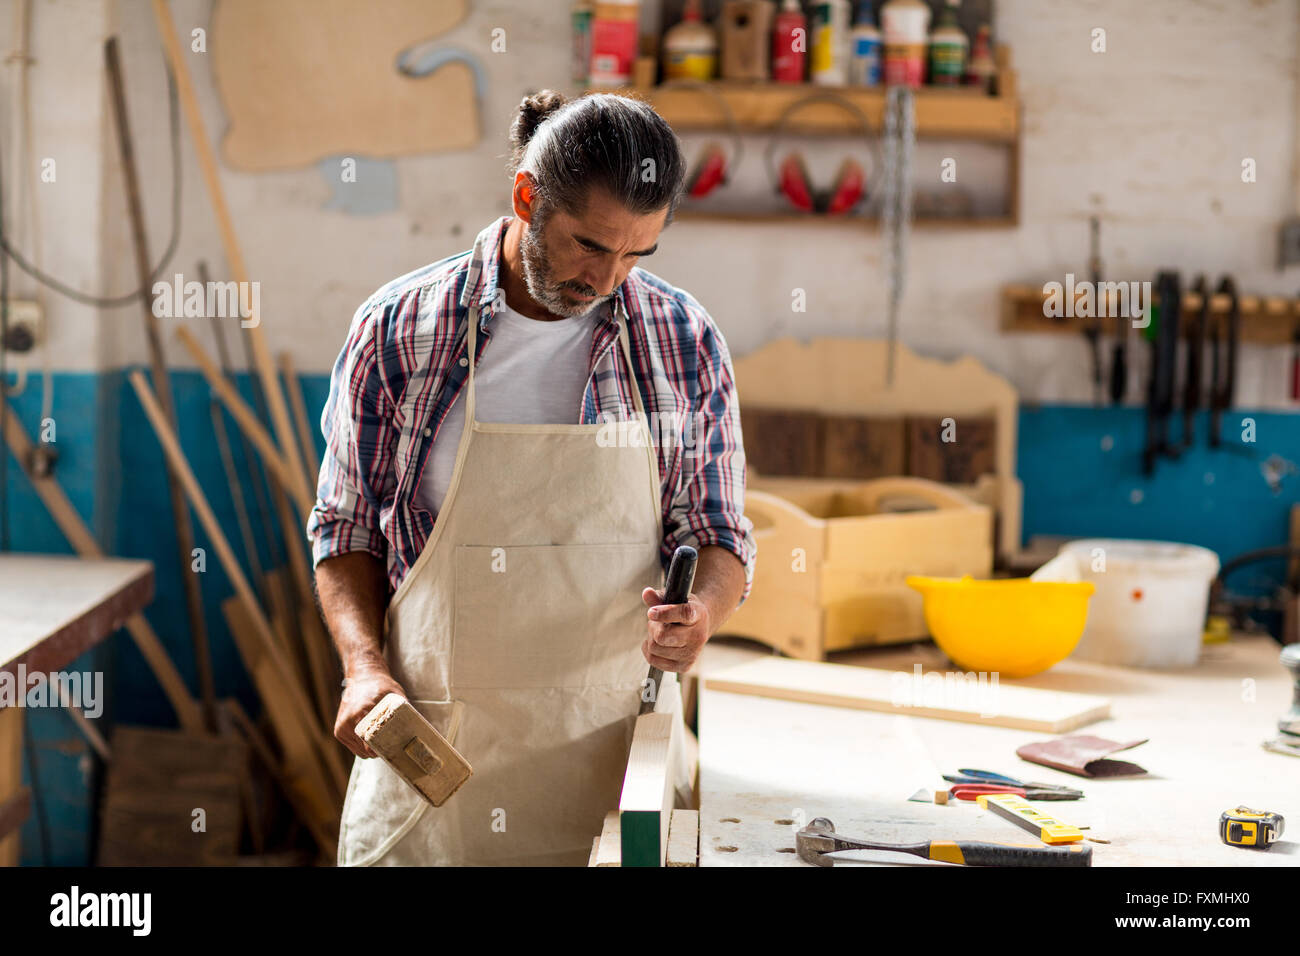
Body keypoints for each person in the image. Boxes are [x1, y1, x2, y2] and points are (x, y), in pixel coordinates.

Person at [308, 90, 755, 866]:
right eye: (589, 244)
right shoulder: (401, 330)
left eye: (636, 255)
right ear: (526, 197)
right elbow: (343, 527)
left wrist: (704, 612)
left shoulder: (683, 340)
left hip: (613, 768)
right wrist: (364, 670)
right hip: (436, 763)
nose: (607, 277)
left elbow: (715, 532)